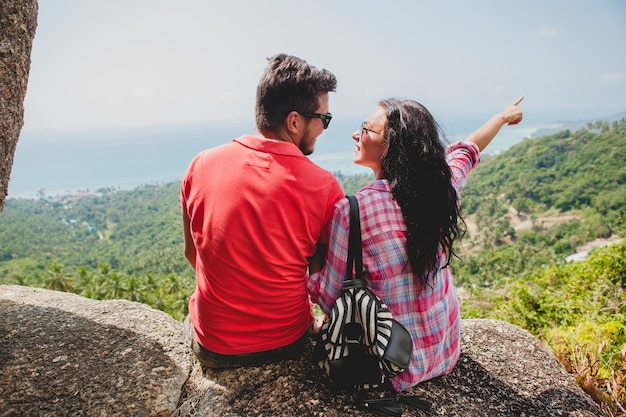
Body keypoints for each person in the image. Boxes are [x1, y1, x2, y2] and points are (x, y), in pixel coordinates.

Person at [307, 96, 524, 391]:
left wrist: (315, 250)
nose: (356, 134)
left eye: (367, 129)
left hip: (391, 366)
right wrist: (501, 117)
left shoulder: (353, 212)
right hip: (443, 355)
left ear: (391, 146)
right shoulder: (439, 188)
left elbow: (332, 297)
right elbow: (467, 151)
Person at [181, 53, 345, 368]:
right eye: (324, 119)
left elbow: (193, 254)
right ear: (295, 121)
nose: (324, 129)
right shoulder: (323, 187)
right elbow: (324, 280)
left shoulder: (200, 164)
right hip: (286, 343)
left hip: (212, 345)